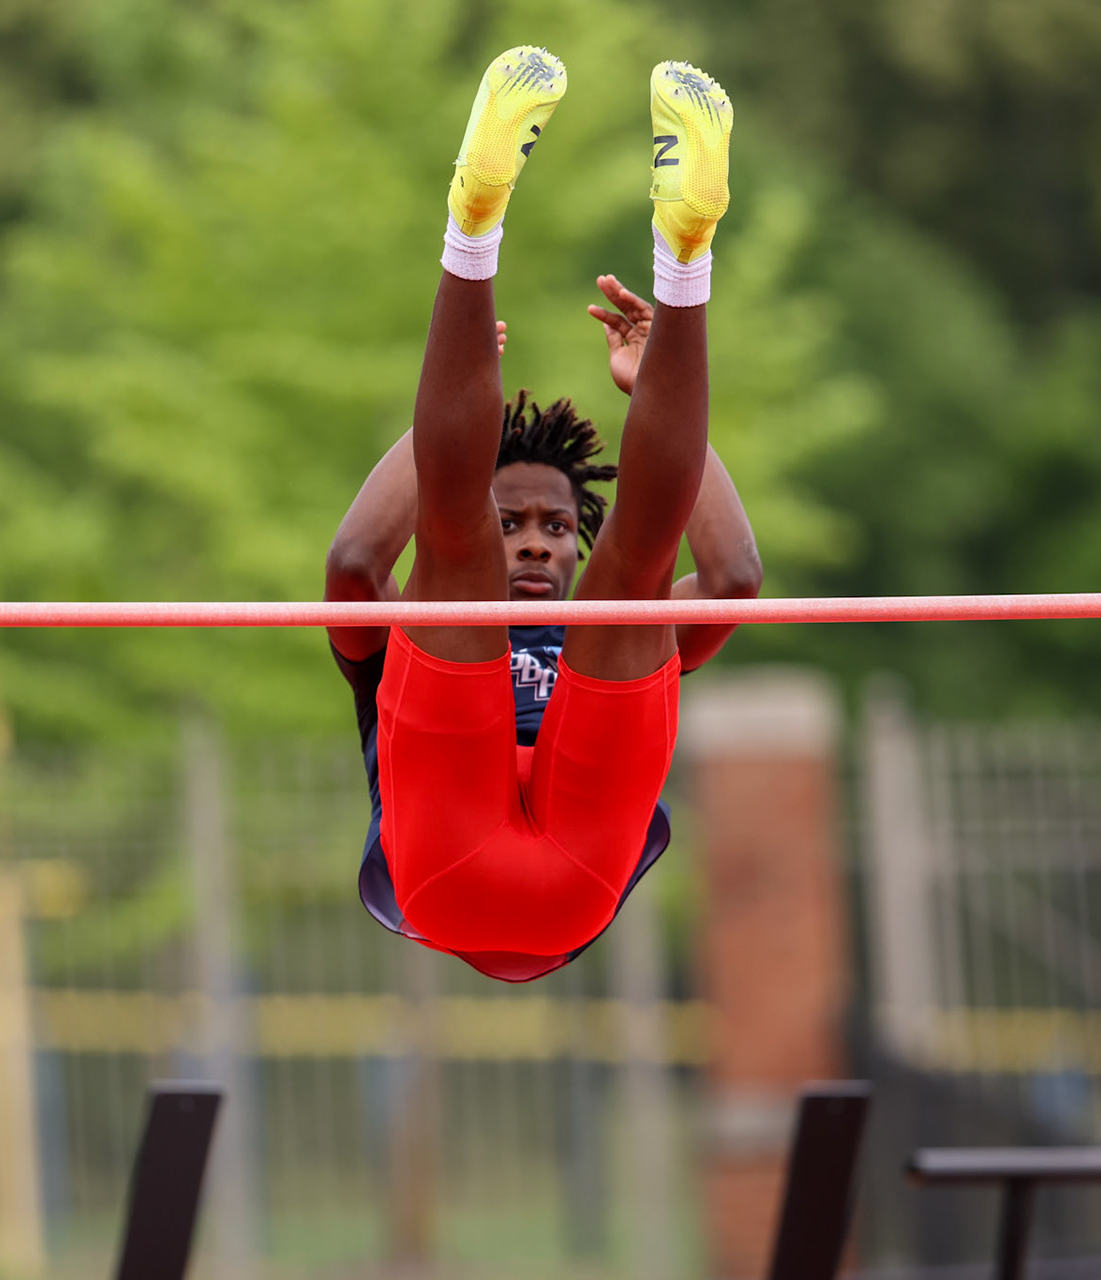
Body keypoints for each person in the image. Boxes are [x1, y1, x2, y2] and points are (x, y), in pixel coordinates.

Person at [325, 48, 762, 982]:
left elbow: (733, 579)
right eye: (514, 519)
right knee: (508, 561)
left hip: (457, 877)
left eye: (557, 527)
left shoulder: (597, 621)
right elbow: (358, 565)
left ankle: (480, 235)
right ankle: (678, 269)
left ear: (573, 538)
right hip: (560, 879)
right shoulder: (450, 606)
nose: (529, 537)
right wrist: (447, 411)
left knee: (601, 577)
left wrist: (652, 391)